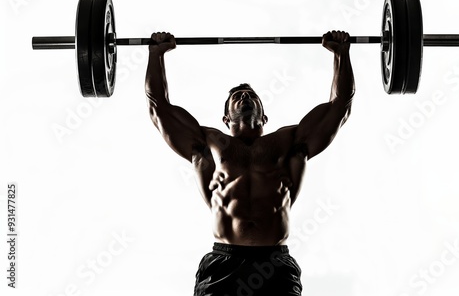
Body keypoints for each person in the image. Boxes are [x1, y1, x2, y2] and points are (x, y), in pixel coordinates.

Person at [145, 30, 355, 296]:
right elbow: (158, 108)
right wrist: (156, 55)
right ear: (225, 119)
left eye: (251, 96)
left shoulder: (290, 143)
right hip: (223, 266)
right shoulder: (207, 144)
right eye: (238, 96)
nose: (245, 97)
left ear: (264, 117)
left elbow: (339, 107)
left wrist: (341, 54)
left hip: (275, 265)